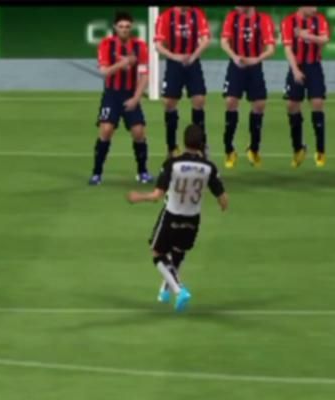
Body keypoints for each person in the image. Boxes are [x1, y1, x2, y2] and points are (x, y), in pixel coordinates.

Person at [127, 124, 229, 313]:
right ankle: (164, 292)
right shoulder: (209, 167)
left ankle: (179, 290)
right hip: (193, 219)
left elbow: (157, 195)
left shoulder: (172, 164)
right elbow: (223, 200)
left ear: (184, 141)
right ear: (202, 144)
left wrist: (138, 197)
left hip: (172, 215)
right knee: (177, 255)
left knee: (157, 254)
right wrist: (221, 204)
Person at [89, 11, 153, 186]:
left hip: (131, 94)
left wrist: (136, 98)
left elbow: (145, 75)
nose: (124, 29)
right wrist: (122, 63)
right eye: (121, 26)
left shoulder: (140, 46)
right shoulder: (106, 45)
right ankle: (97, 173)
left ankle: (142, 172)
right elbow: (104, 72)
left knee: (138, 132)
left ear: (131, 28)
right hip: (112, 94)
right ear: (115, 28)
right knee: (106, 130)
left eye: (127, 27)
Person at [220, 6, 276, 168]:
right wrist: (234, 57)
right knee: (230, 102)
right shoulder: (232, 17)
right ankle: (229, 150)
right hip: (236, 66)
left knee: (259, 105)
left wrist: (256, 59)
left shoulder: (263, 19)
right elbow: (224, 41)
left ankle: (253, 149)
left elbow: (271, 48)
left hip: (254, 66)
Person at [154, 6, 212, 158]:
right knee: (169, 103)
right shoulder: (165, 16)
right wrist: (175, 57)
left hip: (193, 62)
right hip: (174, 63)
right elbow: (158, 45)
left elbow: (206, 40)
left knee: (199, 100)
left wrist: (193, 57)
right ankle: (172, 147)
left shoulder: (197, 14)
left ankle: (200, 145)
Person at [281, 6, 331, 168]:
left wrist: (306, 36)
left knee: (317, 103)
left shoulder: (319, 19)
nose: (315, 8)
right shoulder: (289, 22)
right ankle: (298, 149)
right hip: (296, 66)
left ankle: (320, 150)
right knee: (292, 105)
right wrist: (295, 70)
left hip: (314, 66)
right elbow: (288, 49)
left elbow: (325, 39)